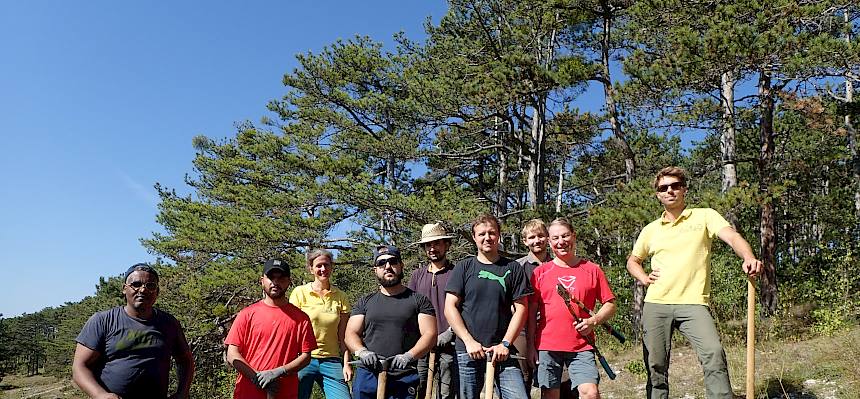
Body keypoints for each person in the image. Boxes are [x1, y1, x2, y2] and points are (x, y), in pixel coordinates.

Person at [626, 166, 762, 399]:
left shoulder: (705, 215)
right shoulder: (651, 230)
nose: (670, 191)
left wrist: (748, 257)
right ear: (658, 195)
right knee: (655, 364)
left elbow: (732, 236)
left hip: (693, 303)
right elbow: (632, 261)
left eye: (675, 186)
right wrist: (644, 278)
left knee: (713, 352)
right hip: (657, 303)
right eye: (663, 188)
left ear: (684, 189)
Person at [72, 263, 194, 399]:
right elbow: (79, 367)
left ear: (157, 292)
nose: (142, 290)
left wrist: (183, 392)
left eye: (150, 285)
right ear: (124, 289)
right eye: (136, 284)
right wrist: (100, 395)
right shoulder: (103, 321)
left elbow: (185, 360)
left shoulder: (169, 323)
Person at [445, 214, 532, 399]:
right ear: (474, 237)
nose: (487, 237)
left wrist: (506, 344)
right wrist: (469, 341)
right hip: (467, 352)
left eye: (492, 233)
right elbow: (450, 307)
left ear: (499, 235)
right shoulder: (464, 267)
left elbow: (521, 309)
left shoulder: (513, 268)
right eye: (482, 233)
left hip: (503, 352)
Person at [528, 219, 616, 399]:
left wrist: (593, 321)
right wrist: (530, 346)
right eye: (555, 238)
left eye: (565, 236)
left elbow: (610, 304)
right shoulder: (540, 273)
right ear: (550, 242)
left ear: (573, 236)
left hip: (581, 346)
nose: (561, 241)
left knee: (590, 393)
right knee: (550, 394)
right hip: (547, 346)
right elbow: (531, 313)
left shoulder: (592, 269)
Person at [346, 245, 437, 399]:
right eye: (381, 263)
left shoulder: (419, 301)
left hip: (403, 375)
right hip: (368, 375)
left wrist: (409, 356)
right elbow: (350, 333)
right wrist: (362, 352)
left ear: (401, 266)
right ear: (375, 270)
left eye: (393, 261)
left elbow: (430, 334)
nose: (388, 266)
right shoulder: (365, 302)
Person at [225, 259, 317, 399]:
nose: (275, 282)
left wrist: (279, 371)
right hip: (247, 392)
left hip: (285, 393)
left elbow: (305, 357)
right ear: (262, 280)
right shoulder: (246, 314)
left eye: (281, 278)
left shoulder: (301, 318)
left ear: (289, 282)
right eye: (271, 277)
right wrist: (256, 378)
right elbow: (232, 354)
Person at [289, 249, 353, 399]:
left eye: (326, 265)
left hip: (331, 360)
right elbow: (291, 330)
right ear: (311, 269)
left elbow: (343, 335)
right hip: (303, 359)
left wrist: (347, 363)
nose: (323, 269)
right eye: (319, 266)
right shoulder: (300, 293)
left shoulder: (341, 296)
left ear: (331, 267)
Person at [408, 222, 459, 399]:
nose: (432, 248)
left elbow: (464, 308)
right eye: (428, 245)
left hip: (450, 345)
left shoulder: (457, 273)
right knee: (419, 389)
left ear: (446, 245)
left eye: (437, 243)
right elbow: (410, 309)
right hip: (422, 346)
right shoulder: (417, 276)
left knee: (446, 393)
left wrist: (449, 333)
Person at [513, 219, 550, 388]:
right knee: (521, 380)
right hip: (521, 329)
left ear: (548, 237)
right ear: (525, 241)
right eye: (532, 237)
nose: (537, 240)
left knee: (552, 382)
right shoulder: (517, 267)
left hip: (550, 328)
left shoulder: (557, 264)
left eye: (541, 236)